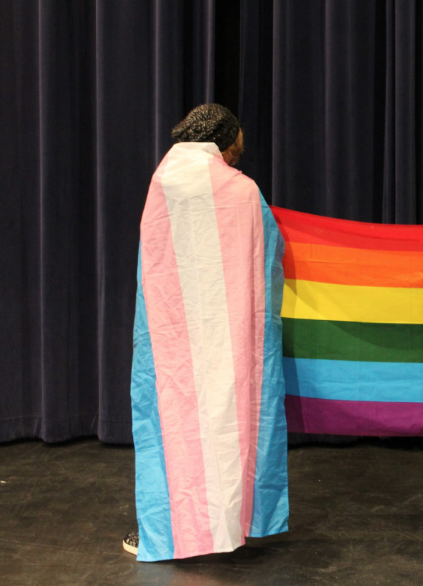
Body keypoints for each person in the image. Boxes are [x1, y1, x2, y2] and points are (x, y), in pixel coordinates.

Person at [124, 104, 289, 561]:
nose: (241, 151)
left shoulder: (164, 180)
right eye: (238, 141)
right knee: (231, 423)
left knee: (172, 426)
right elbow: (269, 249)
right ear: (224, 138)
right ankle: (232, 523)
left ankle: (167, 528)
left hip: (173, 335)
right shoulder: (243, 190)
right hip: (231, 336)